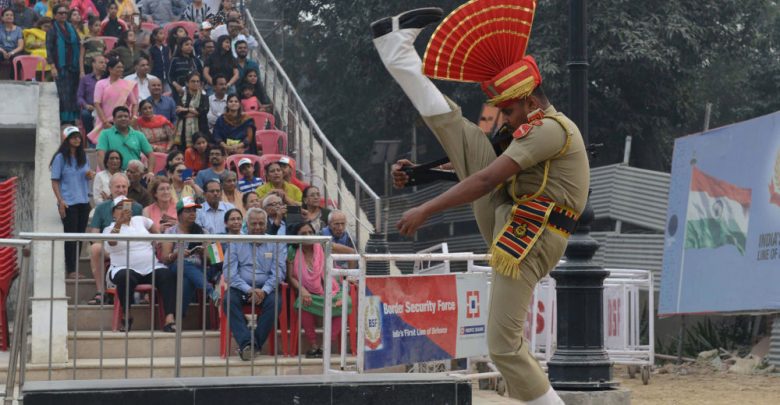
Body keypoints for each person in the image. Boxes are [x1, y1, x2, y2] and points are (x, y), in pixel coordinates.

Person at [375, 7, 588, 404]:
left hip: (531, 237)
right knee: (457, 128)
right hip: (514, 218)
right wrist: (420, 174)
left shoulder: (550, 130)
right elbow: (478, 167)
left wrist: (425, 209)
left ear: (529, 101)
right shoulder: (529, 128)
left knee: (503, 346)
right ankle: (396, 50)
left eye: (508, 110)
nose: (503, 119)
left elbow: (487, 179)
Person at [104, 195, 177, 332]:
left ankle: (169, 318)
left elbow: (155, 230)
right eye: (120, 207)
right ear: (113, 212)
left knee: (167, 275)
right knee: (125, 277)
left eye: (127, 206)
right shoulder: (110, 228)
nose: (124, 210)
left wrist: (157, 242)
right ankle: (126, 315)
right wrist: (119, 223)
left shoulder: (140, 220)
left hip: (149, 267)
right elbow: (111, 242)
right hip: (123, 268)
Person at [223, 207, 285, 360]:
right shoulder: (236, 242)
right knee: (228, 300)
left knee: (275, 303)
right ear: (247, 225)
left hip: (266, 288)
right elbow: (229, 273)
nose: (257, 227)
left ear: (266, 225)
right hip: (241, 287)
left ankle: (249, 346)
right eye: (254, 224)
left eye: (261, 224)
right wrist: (248, 289)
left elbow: (279, 272)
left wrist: (264, 290)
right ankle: (250, 344)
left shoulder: (275, 243)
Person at [286, 221, 349, 358]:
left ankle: (325, 346)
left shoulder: (322, 245)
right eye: (303, 233)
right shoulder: (292, 250)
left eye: (310, 232)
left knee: (345, 303)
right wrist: (302, 290)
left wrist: (350, 274)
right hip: (308, 293)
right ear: (296, 236)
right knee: (303, 303)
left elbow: (351, 252)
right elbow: (290, 277)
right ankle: (313, 345)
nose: (308, 236)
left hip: (329, 289)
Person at [87, 173, 143, 305]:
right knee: (95, 248)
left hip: (132, 247)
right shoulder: (101, 208)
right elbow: (94, 235)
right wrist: (110, 247)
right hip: (109, 247)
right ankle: (101, 292)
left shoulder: (136, 207)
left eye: (124, 186)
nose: (121, 190)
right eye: (117, 187)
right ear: (110, 188)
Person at [50, 126, 94, 279]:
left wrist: (90, 175)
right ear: (67, 139)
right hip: (69, 202)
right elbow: (55, 181)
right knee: (71, 236)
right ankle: (71, 269)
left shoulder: (83, 156)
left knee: (80, 236)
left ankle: (74, 267)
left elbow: (86, 175)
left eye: (78, 137)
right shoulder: (60, 158)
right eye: (73, 137)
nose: (77, 139)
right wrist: (60, 201)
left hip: (83, 201)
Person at [87, 56, 138, 145]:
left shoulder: (126, 84)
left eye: (122, 67)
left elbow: (135, 103)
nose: (121, 69)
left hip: (122, 121)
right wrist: (105, 122)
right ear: (110, 69)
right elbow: (97, 104)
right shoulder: (101, 84)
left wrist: (134, 117)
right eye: (118, 67)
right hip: (105, 122)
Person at [45, 5, 80, 123]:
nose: (63, 15)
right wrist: (52, 67)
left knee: (73, 92)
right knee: (64, 94)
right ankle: (64, 120)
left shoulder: (71, 27)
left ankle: (73, 119)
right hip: (60, 67)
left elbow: (78, 43)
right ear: (55, 15)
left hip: (73, 66)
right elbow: (49, 50)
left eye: (65, 13)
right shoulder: (51, 30)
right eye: (60, 13)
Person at [96, 106, 156, 171]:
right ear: (113, 119)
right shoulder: (105, 134)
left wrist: (150, 172)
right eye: (120, 117)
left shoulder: (139, 135)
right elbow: (100, 155)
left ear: (129, 119)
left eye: (126, 116)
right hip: (114, 174)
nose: (123, 118)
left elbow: (151, 155)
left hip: (135, 174)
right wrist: (106, 174)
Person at [173, 72, 209, 149]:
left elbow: (203, 112)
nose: (196, 83)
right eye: (193, 81)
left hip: (201, 128)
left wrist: (187, 109)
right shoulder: (181, 97)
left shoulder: (204, 97)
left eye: (198, 81)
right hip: (183, 130)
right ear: (187, 83)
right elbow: (179, 113)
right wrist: (196, 112)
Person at [77, 53, 105, 134]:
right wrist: (86, 105)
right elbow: (79, 96)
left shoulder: (107, 78)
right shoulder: (85, 79)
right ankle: (90, 136)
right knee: (85, 114)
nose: (104, 65)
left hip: (104, 108)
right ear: (93, 64)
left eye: (105, 63)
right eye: (101, 62)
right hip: (91, 108)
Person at [168, 36, 202, 101]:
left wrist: (200, 87)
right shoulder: (174, 60)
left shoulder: (195, 60)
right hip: (179, 91)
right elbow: (170, 76)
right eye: (187, 44)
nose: (189, 46)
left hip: (195, 91)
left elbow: (201, 76)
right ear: (180, 47)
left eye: (191, 45)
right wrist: (177, 86)